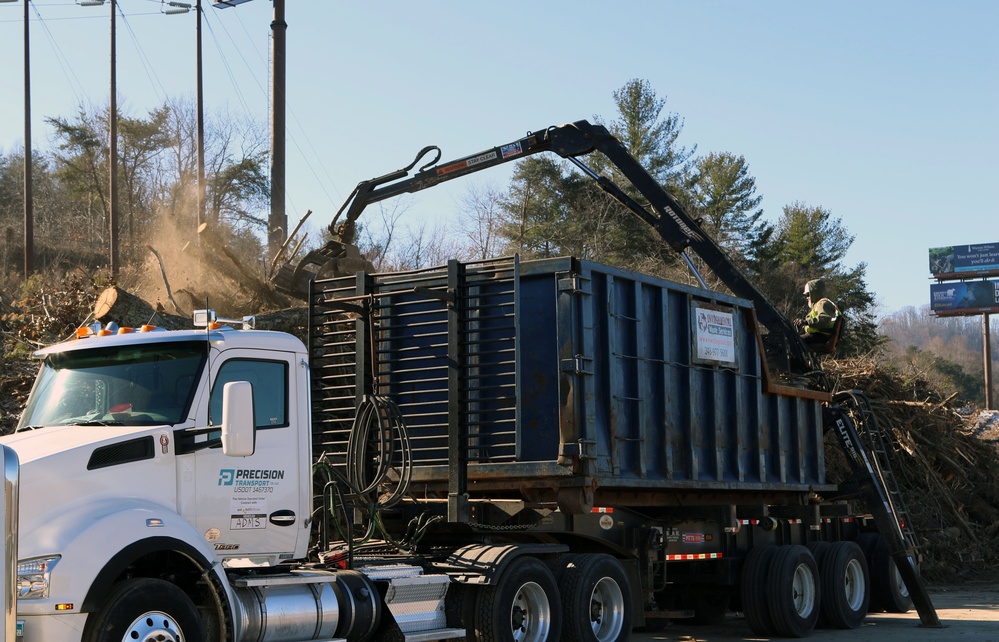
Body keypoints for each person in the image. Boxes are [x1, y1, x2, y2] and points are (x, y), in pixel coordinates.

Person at [795, 279, 841, 348]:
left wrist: (805, 322)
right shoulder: (819, 304)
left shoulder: (823, 303)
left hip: (821, 336)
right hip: (820, 335)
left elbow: (824, 320)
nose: (807, 298)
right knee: (794, 340)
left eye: (808, 294)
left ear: (814, 293)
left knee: (793, 341)